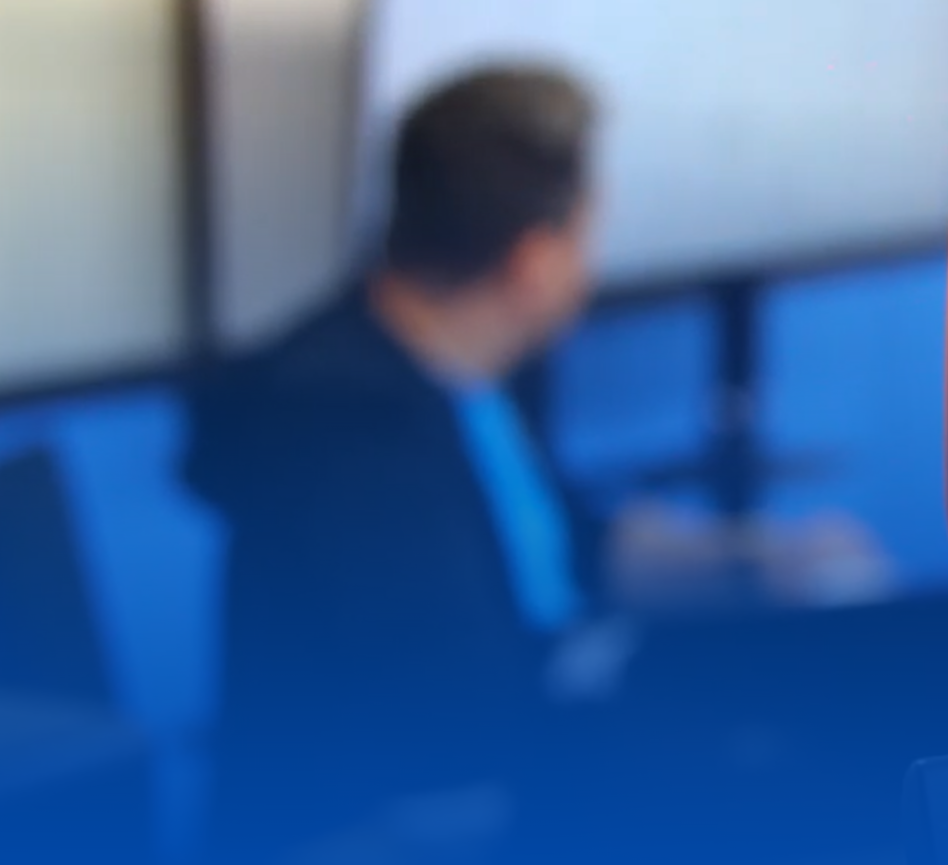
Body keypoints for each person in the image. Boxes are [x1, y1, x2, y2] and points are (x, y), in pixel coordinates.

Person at [182, 66, 889, 862]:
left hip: (506, 775)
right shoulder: (345, 432)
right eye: (587, 234)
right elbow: (443, 730)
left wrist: (758, 565)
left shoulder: (464, 377)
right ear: (534, 262)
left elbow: (569, 546)